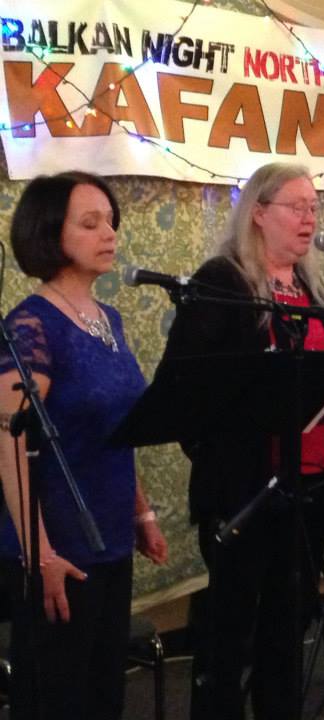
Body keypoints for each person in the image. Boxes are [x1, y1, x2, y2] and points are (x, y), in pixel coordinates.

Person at [157, 162, 324, 719]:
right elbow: (187, 390)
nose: (309, 218)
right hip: (247, 493)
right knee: (230, 634)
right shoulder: (223, 282)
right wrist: (229, 459)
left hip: (310, 485)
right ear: (259, 213)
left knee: (288, 630)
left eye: (314, 207)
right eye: (297, 207)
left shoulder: (309, 287)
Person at [0, 171, 168, 719]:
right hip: (57, 542)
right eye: (90, 223)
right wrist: (40, 554)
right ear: (51, 233)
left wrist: (142, 513)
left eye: (111, 222)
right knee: (58, 696)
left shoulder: (108, 319)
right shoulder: (31, 325)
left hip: (110, 532)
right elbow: (7, 444)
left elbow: (118, 427)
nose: (109, 234)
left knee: (103, 692)